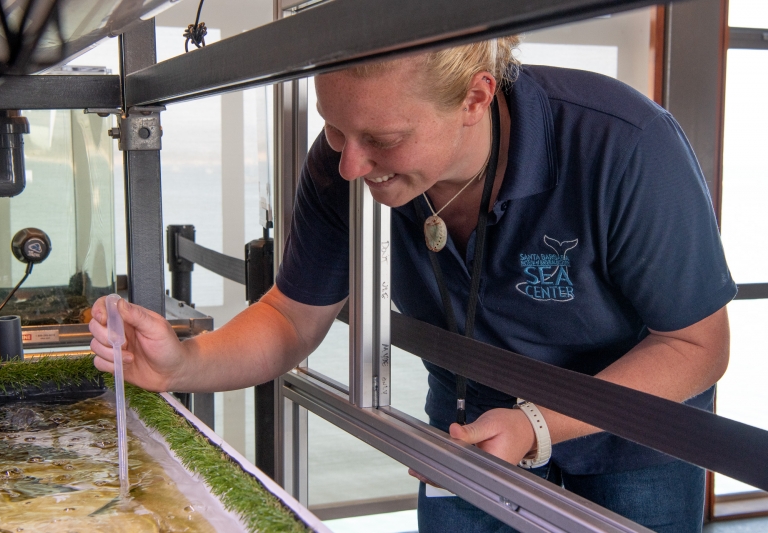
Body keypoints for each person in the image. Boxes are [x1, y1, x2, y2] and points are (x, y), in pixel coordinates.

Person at [90, 37, 736, 533]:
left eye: (382, 138)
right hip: (463, 420)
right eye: (335, 128)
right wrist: (185, 362)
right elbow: (293, 316)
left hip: (631, 429)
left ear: (476, 98)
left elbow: (696, 345)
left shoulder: (624, 145)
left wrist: (535, 424)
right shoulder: (342, 164)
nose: (349, 162)